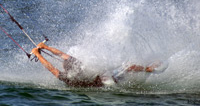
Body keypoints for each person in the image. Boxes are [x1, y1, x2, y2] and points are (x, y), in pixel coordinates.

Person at [31, 43, 161, 87]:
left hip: (102, 83)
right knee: (127, 67)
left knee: (126, 69)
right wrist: (45, 47)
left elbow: (50, 68)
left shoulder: (67, 77)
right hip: (105, 81)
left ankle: (146, 69)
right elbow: (60, 54)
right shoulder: (77, 67)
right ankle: (147, 69)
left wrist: (38, 54)